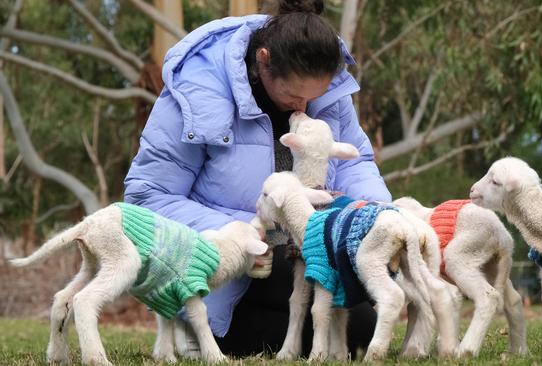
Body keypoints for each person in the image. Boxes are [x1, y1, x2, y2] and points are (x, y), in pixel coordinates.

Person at [123, 0, 391, 358]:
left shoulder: (322, 82)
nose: (303, 107)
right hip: (228, 260)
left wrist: (380, 217)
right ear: (263, 60)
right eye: (294, 95)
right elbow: (147, 197)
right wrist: (242, 233)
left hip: (300, 247)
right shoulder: (197, 89)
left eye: (315, 97)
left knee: (359, 325)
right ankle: (196, 326)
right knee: (341, 332)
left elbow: (355, 162)